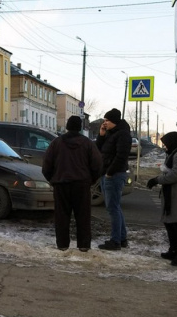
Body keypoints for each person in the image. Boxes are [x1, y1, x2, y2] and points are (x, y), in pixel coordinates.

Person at [42, 115, 102, 252]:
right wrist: (91, 180)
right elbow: (97, 165)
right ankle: (84, 245)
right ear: (80, 127)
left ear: (67, 126)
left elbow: (46, 165)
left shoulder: (56, 143)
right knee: (83, 216)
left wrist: (52, 179)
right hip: (82, 185)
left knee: (62, 216)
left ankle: (62, 245)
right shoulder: (87, 144)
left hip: (61, 184)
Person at [146, 132, 177, 266]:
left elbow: (175, 176)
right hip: (170, 194)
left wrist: (157, 180)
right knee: (170, 223)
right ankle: (172, 250)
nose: (165, 147)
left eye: (166, 144)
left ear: (173, 143)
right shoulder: (173, 154)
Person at [95, 108, 132, 251]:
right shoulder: (111, 133)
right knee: (115, 207)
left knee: (113, 208)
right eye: (104, 120)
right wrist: (101, 135)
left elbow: (121, 156)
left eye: (107, 121)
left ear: (114, 121)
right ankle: (121, 239)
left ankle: (116, 241)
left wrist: (110, 173)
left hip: (114, 175)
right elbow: (100, 149)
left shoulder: (123, 135)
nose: (104, 123)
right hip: (108, 174)